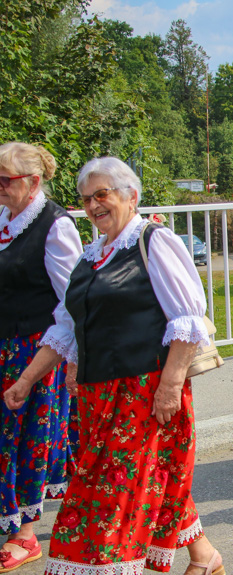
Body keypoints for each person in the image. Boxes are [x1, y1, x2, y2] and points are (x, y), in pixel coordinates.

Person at [3, 157, 225, 575]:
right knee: (150, 481)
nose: (93, 205)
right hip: (98, 394)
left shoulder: (152, 240)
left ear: (131, 196)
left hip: (145, 391)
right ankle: (205, 555)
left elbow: (188, 319)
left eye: (102, 195)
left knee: (110, 498)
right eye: (87, 198)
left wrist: (170, 385)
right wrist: (26, 380)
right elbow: (66, 328)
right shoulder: (92, 255)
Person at [0, 142, 80, 573]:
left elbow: (72, 299)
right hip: (4, 344)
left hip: (37, 348)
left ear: (33, 182)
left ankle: (25, 533)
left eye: (5, 180)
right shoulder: (5, 220)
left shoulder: (54, 225)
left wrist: (69, 359)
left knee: (26, 438)